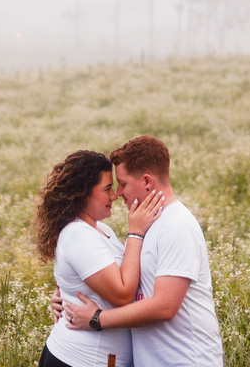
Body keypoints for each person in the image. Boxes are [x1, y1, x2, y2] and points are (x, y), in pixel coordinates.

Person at [60, 136, 224, 367]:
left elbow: (165, 306)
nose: (118, 193)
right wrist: (65, 293)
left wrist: (97, 319)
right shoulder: (146, 223)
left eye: (123, 183)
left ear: (147, 182)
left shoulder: (176, 225)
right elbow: (120, 275)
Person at [34, 149, 165, 367]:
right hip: (76, 360)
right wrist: (135, 232)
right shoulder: (78, 234)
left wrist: (63, 294)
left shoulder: (100, 229)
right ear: (83, 193)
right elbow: (122, 294)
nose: (115, 195)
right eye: (107, 189)